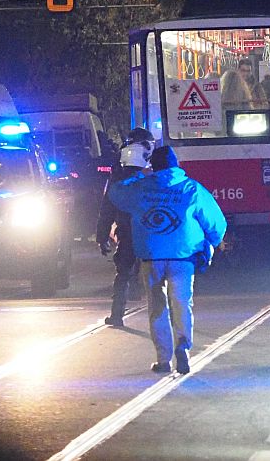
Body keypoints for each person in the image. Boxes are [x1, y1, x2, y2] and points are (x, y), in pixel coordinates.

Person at [109, 145, 227, 374]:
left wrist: (136, 174)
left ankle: (163, 360)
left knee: (157, 308)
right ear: (176, 165)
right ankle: (183, 345)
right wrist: (213, 242)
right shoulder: (191, 188)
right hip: (183, 257)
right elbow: (215, 222)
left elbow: (115, 194)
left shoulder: (141, 188)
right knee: (182, 304)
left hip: (151, 257)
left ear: (153, 165)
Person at [96, 127, 154, 327]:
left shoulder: (120, 173)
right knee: (157, 273)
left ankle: (117, 314)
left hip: (129, 229)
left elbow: (108, 205)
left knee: (124, 272)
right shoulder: (157, 170)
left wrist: (102, 236)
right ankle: (167, 316)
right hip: (152, 231)